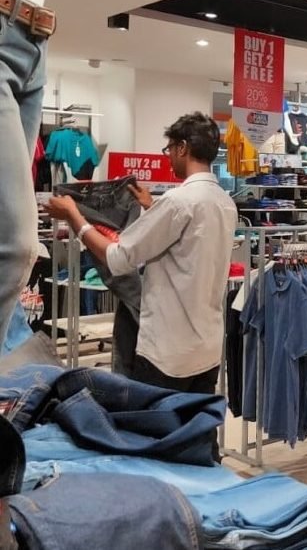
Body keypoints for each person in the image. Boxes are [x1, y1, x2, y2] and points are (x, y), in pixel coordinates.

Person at [45, 113, 237, 455]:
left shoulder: (178, 202)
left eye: (169, 149)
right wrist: (152, 208)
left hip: (167, 350)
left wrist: (75, 217)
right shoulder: (224, 202)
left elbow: (118, 258)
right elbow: (186, 245)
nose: (169, 156)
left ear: (183, 147)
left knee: (155, 445)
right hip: (206, 345)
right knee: (198, 438)